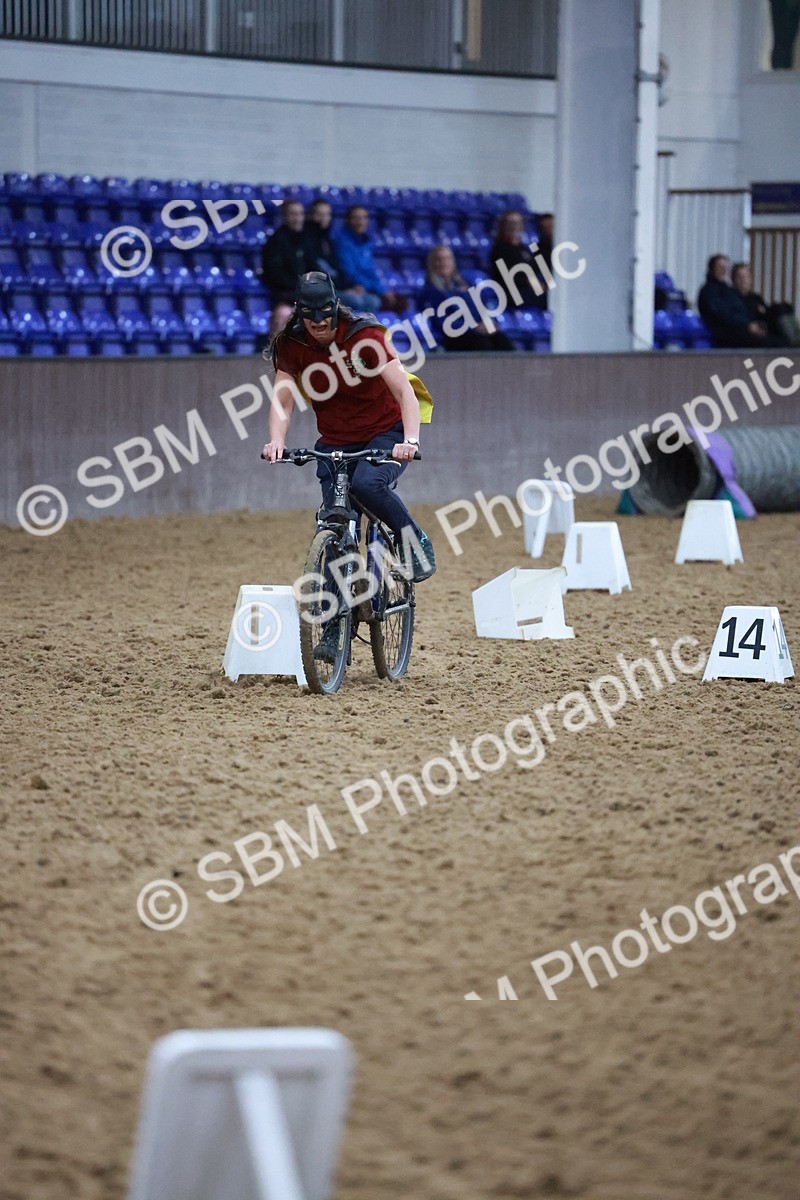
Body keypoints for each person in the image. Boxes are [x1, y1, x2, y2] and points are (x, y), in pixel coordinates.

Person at [262, 272, 435, 659]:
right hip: (337, 440)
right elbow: (282, 401)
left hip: (385, 431)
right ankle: (331, 630)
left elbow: (404, 390)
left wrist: (410, 440)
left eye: (325, 318)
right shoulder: (291, 345)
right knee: (334, 526)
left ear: (335, 310)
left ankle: (415, 542)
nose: (320, 327)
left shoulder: (365, 337)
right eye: (311, 320)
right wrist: (277, 441)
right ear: (300, 317)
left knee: (367, 485)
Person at [419, 246, 513, 351]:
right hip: (455, 335)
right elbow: (440, 321)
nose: (444, 263)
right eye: (439, 259)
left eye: (447, 259)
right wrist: (474, 328)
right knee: (483, 345)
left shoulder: (463, 285)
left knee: (502, 341)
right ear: (432, 263)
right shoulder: (430, 291)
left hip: (476, 331)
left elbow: (479, 309)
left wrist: (488, 323)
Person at [334, 205, 406, 314]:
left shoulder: (366, 243)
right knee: (375, 302)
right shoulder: (342, 242)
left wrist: (382, 290)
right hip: (354, 287)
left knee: (402, 301)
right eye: (356, 218)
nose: (361, 222)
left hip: (370, 288)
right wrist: (379, 290)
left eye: (364, 218)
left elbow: (371, 272)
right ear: (348, 221)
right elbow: (350, 273)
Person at [697, 254, 777, 348]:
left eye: (725, 267)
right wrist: (747, 326)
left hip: (740, 329)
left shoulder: (728, 290)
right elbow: (721, 315)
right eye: (720, 267)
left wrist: (753, 324)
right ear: (712, 269)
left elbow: (740, 311)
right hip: (727, 333)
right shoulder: (709, 291)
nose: (723, 270)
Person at [305, 198, 370, 310]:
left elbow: (337, 269)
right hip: (319, 293)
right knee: (357, 302)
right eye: (319, 214)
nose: (323, 219)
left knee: (371, 300)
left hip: (336, 288)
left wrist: (349, 287)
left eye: (327, 214)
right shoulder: (306, 241)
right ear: (310, 216)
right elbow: (317, 271)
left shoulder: (328, 240)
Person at [488, 209, 546, 310]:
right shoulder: (499, 249)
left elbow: (534, 268)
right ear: (503, 225)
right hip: (511, 293)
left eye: (518, 223)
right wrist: (535, 285)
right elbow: (510, 276)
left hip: (527, 290)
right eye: (510, 223)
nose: (514, 226)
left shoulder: (523, 249)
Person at [731, 262, 800, 347]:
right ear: (733, 279)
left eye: (746, 276)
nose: (744, 280)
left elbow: (765, 314)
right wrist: (749, 326)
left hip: (763, 329)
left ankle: (796, 339)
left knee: (783, 309)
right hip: (745, 333)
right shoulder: (730, 298)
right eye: (740, 277)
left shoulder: (755, 298)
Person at [261, 200, 315, 305]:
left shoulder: (306, 240)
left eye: (300, 214)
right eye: (293, 214)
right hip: (285, 293)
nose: (298, 219)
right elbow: (275, 274)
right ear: (284, 217)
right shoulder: (275, 242)